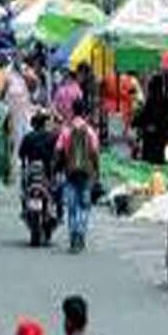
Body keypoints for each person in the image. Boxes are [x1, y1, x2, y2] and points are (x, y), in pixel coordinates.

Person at [55, 99, 100, 253]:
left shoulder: (66, 130)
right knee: (84, 205)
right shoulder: (90, 131)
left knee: (72, 206)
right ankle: (81, 233)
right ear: (85, 112)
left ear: (73, 111)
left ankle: (74, 235)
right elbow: (95, 153)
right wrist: (97, 171)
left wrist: (57, 168)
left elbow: (58, 150)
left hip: (70, 172)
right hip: (86, 173)